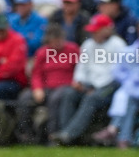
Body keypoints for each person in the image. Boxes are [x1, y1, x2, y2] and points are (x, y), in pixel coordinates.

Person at [52, 14, 129, 145]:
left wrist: (94, 88)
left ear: (107, 30)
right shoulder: (88, 44)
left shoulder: (118, 45)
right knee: (69, 93)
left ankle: (69, 135)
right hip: (89, 84)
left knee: (91, 98)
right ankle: (65, 133)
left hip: (109, 86)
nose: (93, 33)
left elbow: (118, 72)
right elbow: (82, 67)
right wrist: (79, 82)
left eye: (96, 30)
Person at [13, 23, 79, 144]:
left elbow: (79, 69)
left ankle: (52, 136)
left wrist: (76, 82)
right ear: (48, 41)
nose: (58, 44)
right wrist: (37, 88)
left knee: (55, 99)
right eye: (54, 41)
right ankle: (26, 135)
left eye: (60, 40)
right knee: (25, 97)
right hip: (46, 87)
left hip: (65, 86)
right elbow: (36, 73)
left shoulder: (73, 49)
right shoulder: (42, 52)